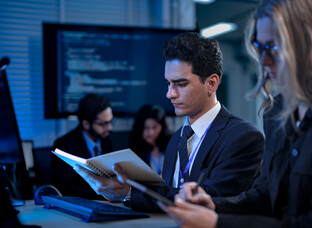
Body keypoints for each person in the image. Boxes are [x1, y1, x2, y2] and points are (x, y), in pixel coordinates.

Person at [162, 0, 312, 228]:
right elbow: (265, 196)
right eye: (260, 47)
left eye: (274, 48)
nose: (264, 62)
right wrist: (214, 207)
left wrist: (219, 226)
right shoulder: (278, 113)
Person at [74, 32, 265, 212]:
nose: (170, 94)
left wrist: (130, 193)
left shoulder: (243, 137)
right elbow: (168, 195)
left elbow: (208, 200)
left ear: (212, 83)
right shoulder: (177, 139)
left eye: (181, 84)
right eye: (168, 84)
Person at [51, 93, 113, 199]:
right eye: (103, 124)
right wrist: (102, 194)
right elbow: (64, 188)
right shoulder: (64, 145)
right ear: (86, 124)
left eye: (110, 122)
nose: (109, 128)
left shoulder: (106, 141)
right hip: (79, 205)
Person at [128, 104, 172, 176]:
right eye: (146, 128)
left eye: (154, 127)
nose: (150, 132)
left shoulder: (172, 143)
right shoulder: (134, 149)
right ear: (140, 127)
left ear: (162, 126)